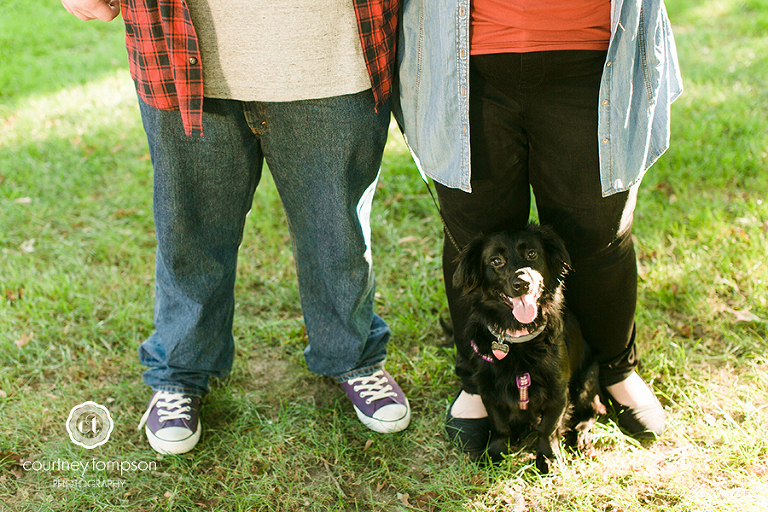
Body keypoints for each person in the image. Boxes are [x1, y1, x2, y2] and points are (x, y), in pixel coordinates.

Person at [62, 0, 410, 455]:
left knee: (338, 234)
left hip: (333, 59)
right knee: (190, 233)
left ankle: (353, 356)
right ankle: (182, 372)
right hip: (181, 55)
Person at [394, 0, 682, 453]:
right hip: (465, 60)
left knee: (597, 235)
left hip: (594, 56)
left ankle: (614, 368)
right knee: (478, 238)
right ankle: (478, 377)